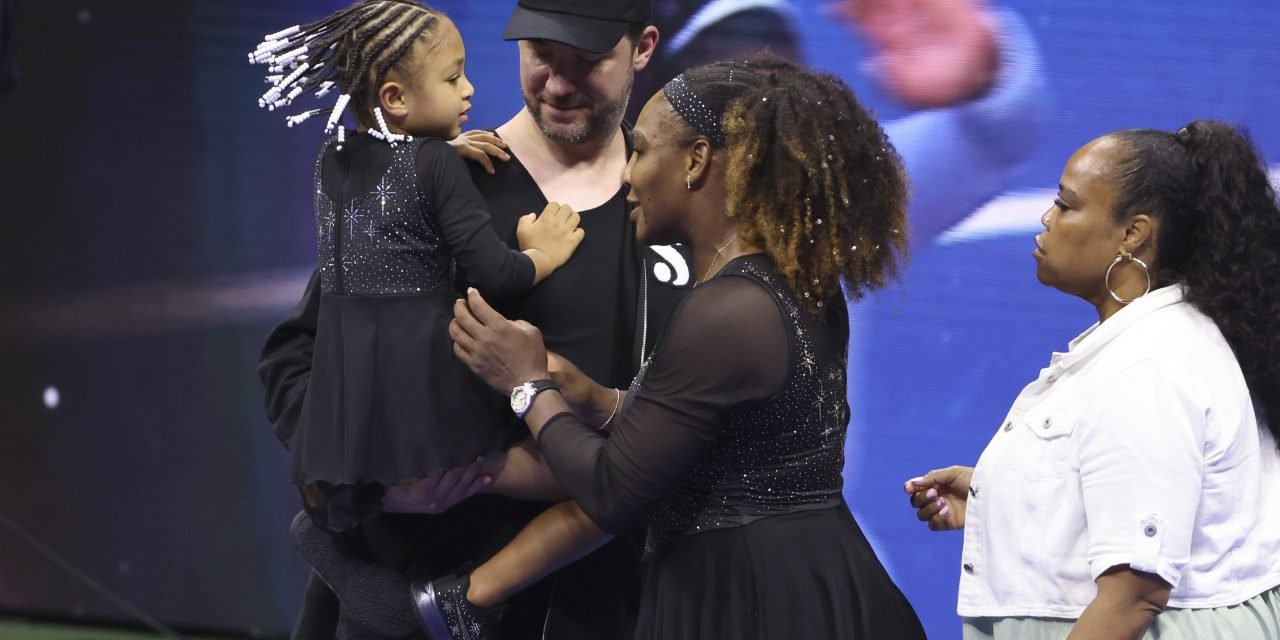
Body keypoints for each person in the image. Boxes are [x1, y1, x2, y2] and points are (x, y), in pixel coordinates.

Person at [450, 55, 927, 639]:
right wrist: (603, 402)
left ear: (697, 161)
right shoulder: (787, 283)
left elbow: (611, 492)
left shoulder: (726, 312)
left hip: (751, 599)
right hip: (812, 582)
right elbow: (739, 438)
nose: (627, 174)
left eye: (643, 151)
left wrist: (527, 385)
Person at [257, 1, 678, 638]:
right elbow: (297, 363)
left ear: (642, 49)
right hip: (399, 591)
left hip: (591, 604)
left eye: (587, 62)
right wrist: (380, 486)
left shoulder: (672, 213)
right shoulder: (441, 175)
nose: (558, 83)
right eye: (541, 55)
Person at [904, 120, 1280, 639]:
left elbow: (1135, 595)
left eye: (1066, 203)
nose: (1047, 217)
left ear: (1133, 234)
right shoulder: (1146, 342)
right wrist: (1008, 496)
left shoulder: (1149, 367)